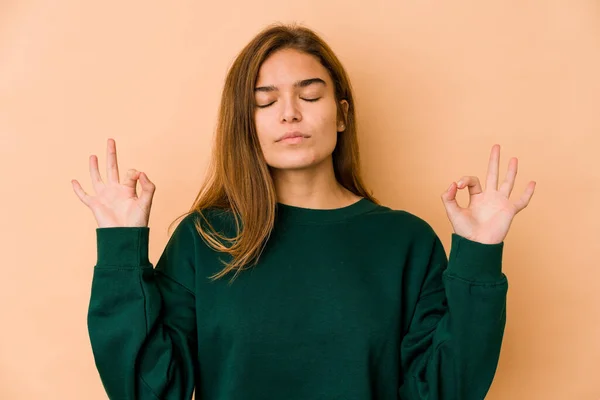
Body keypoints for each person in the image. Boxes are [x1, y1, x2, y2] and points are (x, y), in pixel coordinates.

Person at [71, 23, 536, 400]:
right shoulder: (205, 238)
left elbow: (445, 391)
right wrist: (119, 250)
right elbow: (147, 391)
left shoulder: (406, 242)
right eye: (264, 101)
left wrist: (479, 253)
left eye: (309, 96)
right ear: (245, 125)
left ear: (341, 114)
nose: (289, 114)